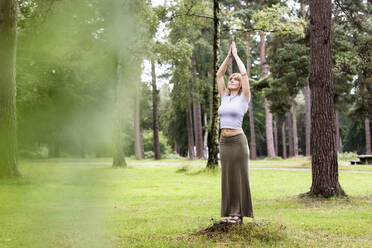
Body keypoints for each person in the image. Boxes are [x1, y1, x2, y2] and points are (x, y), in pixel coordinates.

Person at [217, 42, 253, 224]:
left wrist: (237, 56)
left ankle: (238, 214)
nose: (232, 81)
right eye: (231, 79)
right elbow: (219, 75)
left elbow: (245, 75)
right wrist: (228, 56)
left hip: (238, 141)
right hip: (224, 142)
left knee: (239, 176)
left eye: (235, 80)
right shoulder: (224, 96)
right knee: (227, 177)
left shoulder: (244, 98)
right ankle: (229, 212)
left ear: (240, 85)